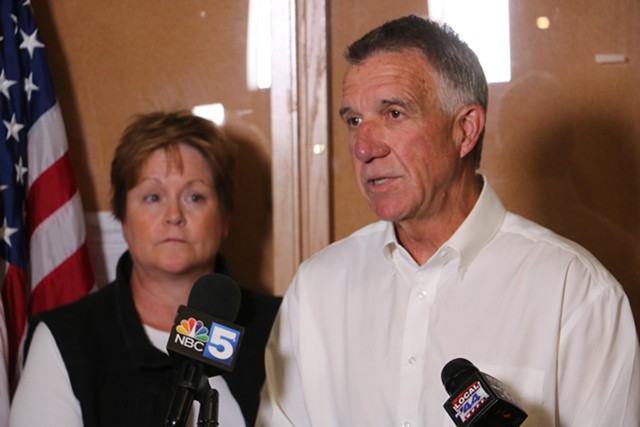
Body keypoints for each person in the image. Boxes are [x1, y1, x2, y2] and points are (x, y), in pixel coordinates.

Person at [256, 15, 640, 426]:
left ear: (466, 129)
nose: (364, 147)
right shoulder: (315, 289)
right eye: (353, 121)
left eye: (394, 113)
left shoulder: (575, 292)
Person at [9, 110, 281, 427]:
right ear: (122, 217)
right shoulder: (68, 338)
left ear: (225, 218)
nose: (173, 215)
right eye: (153, 196)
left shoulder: (282, 325)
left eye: (194, 196)